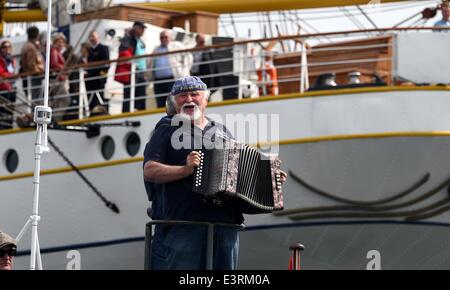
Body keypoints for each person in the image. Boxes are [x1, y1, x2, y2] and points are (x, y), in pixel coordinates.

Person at [143, 76, 287, 270]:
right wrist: (185, 170)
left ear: (205, 100)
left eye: (195, 94)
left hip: (225, 227)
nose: (189, 99)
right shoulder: (166, 130)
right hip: (185, 225)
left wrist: (269, 181)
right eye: (182, 95)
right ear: (173, 101)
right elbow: (150, 170)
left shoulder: (222, 132)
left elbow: (239, 175)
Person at [149, 30, 193, 108]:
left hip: (172, 80)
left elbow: (188, 56)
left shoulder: (176, 45)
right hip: (158, 82)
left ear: (170, 38)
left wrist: (184, 70)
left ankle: (174, 120)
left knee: (173, 103)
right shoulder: (156, 49)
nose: (163, 39)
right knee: (160, 105)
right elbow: (150, 62)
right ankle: (164, 120)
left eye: (166, 37)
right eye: (161, 38)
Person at [118, 21, 148, 113]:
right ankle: (127, 113)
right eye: (141, 28)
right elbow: (123, 49)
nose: (143, 31)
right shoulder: (129, 39)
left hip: (141, 72)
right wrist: (127, 35)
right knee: (129, 94)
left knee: (141, 94)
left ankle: (140, 112)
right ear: (135, 29)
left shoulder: (141, 41)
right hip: (132, 71)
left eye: (143, 29)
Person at [86, 31, 110, 113]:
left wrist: (102, 75)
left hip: (99, 78)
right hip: (90, 79)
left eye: (93, 36)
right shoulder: (89, 50)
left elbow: (107, 64)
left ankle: (99, 112)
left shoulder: (103, 48)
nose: (92, 38)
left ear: (98, 37)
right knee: (90, 98)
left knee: (99, 96)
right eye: (90, 37)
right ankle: (91, 112)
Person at [20, 26, 44, 102]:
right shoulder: (31, 47)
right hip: (35, 76)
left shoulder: (28, 45)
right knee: (36, 98)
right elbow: (31, 64)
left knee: (37, 97)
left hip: (33, 75)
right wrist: (39, 72)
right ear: (37, 35)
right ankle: (34, 113)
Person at [49, 33, 69, 122]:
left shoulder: (56, 51)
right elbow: (54, 64)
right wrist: (64, 68)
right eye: (59, 42)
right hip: (56, 80)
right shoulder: (54, 51)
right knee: (66, 99)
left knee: (58, 100)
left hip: (58, 79)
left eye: (63, 42)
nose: (61, 44)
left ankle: (54, 118)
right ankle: (56, 119)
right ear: (55, 42)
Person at [0, 40, 17, 129]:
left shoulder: (11, 59)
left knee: (10, 109)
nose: (7, 49)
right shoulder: (1, 59)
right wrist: (11, 76)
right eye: (5, 47)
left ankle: (9, 126)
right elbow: (1, 72)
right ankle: (3, 128)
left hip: (11, 87)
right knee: (3, 110)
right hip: (3, 88)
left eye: (9, 47)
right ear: (1, 49)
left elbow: (13, 72)